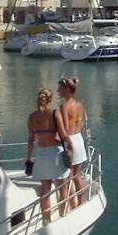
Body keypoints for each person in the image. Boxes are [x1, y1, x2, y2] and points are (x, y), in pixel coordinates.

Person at [26, 88, 71, 223]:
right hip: (55, 152)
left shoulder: (32, 117)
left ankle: (47, 219)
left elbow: (31, 139)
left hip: (41, 153)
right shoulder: (54, 113)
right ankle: (63, 215)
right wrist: (71, 144)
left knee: (45, 189)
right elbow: (63, 134)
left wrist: (29, 157)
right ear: (50, 100)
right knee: (62, 187)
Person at [58, 76, 87, 208]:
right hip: (79, 139)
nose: (58, 91)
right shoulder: (81, 103)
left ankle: (73, 205)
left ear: (66, 90)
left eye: (59, 89)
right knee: (77, 175)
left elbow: (65, 127)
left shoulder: (64, 107)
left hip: (70, 141)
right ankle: (81, 201)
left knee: (68, 176)